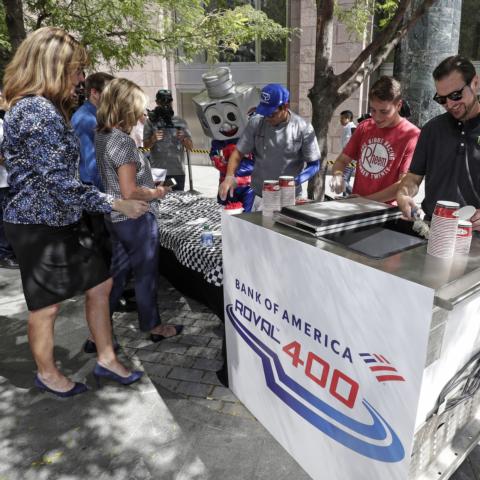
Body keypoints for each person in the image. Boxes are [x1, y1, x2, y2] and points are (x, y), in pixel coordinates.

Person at [1, 27, 149, 397]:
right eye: (75, 70)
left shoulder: (44, 107)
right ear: (53, 66)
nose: (81, 79)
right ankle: (47, 373)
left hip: (63, 218)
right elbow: (57, 182)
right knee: (46, 307)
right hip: (38, 224)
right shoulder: (35, 110)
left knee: (101, 283)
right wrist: (115, 202)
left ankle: (106, 358)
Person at [96, 78, 184, 342]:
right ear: (126, 107)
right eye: (140, 107)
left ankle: (97, 331)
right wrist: (157, 191)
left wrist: (146, 183)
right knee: (145, 275)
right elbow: (130, 191)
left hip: (115, 217)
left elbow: (120, 182)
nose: (143, 113)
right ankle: (154, 326)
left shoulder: (101, 134)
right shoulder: (121, 141)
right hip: (135, 218)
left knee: (118, 273)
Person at [397, 55, 480, 228]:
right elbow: (413, 177)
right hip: (432, 230)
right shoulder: (432, 129)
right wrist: (404, 194)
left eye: (456, 95)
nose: (450, 104)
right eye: (442, 99)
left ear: (475, 83)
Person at [218, 83, 321, 206]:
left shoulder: (303, 128)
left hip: (288, 197)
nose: (267, 118)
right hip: (259, 195)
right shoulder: (256, 123)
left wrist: (297, 180)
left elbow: (314, 165)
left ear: (285, 107)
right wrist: (229, 176)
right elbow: (238, 153)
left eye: (272, 114)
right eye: (264, 113)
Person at [330, 76, 420, 203]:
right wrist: (338, 175)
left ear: (398, 105)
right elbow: (342, 160)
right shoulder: (365, 127)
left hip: (386, 212)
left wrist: (365, 200)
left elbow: (404, 185)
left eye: (384, 111)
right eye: (373, 110)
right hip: (357, 206)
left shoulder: (411, 135)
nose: (377, 117)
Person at [143, 89, 193, 191]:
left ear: (171, 101)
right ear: (157, 102)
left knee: (177, 202)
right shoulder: (150, 122)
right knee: (158, 202)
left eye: (168, 101)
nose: (165, 104)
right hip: (157, 170)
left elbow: (190, 147)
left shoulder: (180, 121)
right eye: (162, 101)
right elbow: (145, 146)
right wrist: (153, 139)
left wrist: (184, 138)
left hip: (177, 170)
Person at [72, 72, 114, 191]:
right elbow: (92, 167)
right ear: (94, 93)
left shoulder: (96, 117)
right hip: (94, 193)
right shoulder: (86, 119)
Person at [339, 110, 356, 195]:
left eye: (342, 118)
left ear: (348, 118)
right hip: (349, 158)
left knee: (343, 181)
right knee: (346, 179)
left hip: (349, 159)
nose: (340, 120)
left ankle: (355, 195)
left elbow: (348, 144)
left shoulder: (350, 128)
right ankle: (345, 198)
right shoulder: (349, 127)